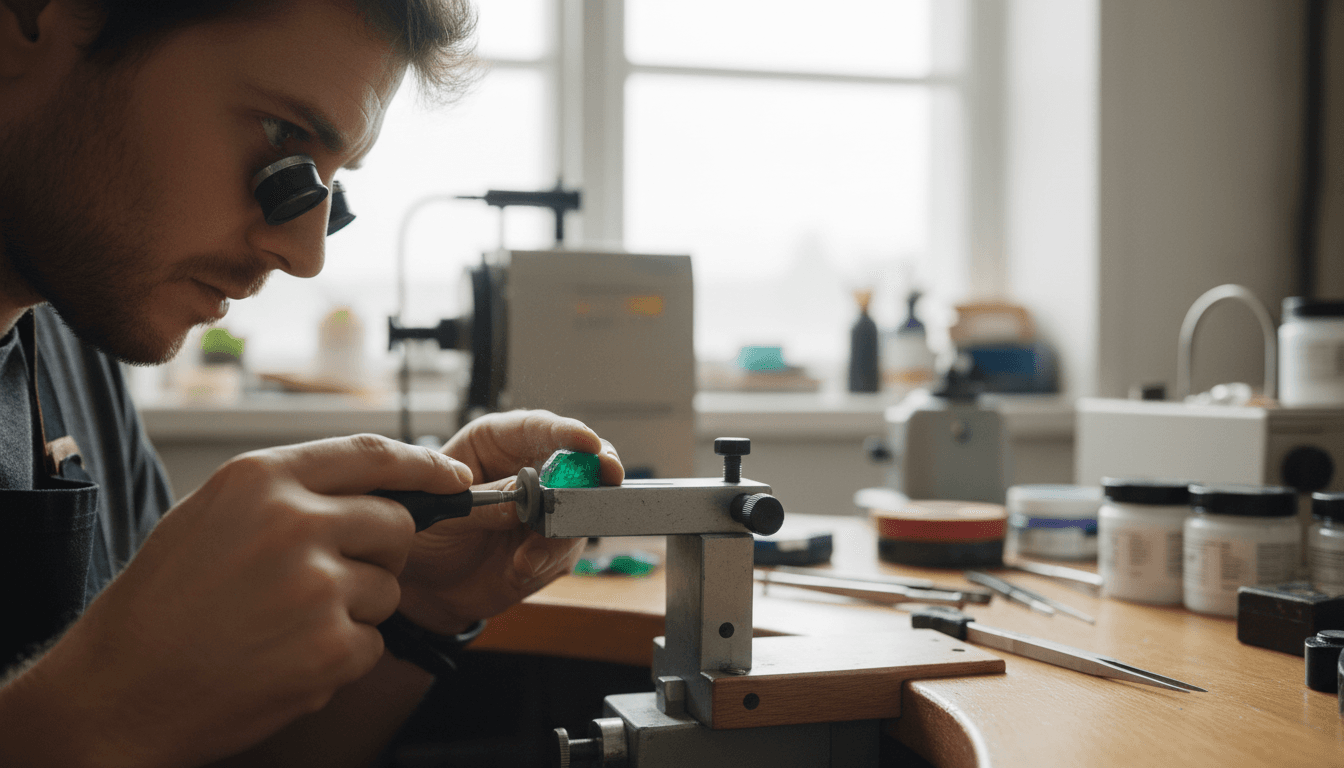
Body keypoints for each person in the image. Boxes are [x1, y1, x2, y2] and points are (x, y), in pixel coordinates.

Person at [0, 1, 624, 765]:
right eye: (279, 139)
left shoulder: (70, 348)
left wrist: (421, 605)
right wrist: (97, 707)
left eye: (328, 188)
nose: (306, 254)